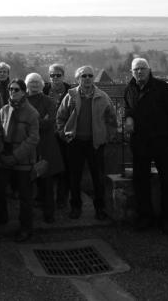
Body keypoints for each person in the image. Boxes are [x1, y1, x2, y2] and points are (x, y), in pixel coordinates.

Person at [123, 58, 168, 234]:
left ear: (149, 70)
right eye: (136, 70)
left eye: (142, 69)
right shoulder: (130, 89)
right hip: (140, 143)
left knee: (167, 181)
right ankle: (145, 217)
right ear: (132, 72)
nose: (139, 72)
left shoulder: (162, 88)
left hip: (162, 142)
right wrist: (128, 118)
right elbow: (128, 108)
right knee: (140, 182)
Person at [56, 66, 118, 221]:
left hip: (95, 144)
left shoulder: (103, 97)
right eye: (84, 76)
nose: (88, 78)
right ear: (78, 79)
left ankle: (100, 209)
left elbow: (112, 119)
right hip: (75, 143)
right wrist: (64, 135)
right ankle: (75, 207)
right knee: (74, 178)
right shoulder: (70, 96)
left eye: (90, 75)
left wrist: (107, 137)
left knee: (98, 178)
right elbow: (60, 117)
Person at [0, 79, 40, 242]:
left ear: (24, 91)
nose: (13, 92)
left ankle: (26, 228)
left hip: (23, 161)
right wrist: (0, 153)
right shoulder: (3, 110)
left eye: (17, 89)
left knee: (25, 197)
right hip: (5, 158)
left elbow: (33, 139)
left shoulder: (32, 113)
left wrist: (16, 156)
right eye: (10, 89)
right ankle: (2, 217)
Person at [25, 73, 64, 223]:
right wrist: (40, 120)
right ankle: (29, 216)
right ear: (26, 85)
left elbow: (50, 123)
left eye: (36, 82)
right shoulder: (23, 101)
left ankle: (49, 214)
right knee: (28, 183)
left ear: (42, 85)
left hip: (46, 146)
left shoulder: (49, 101)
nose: (34, 85)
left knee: (47, 183)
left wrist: (30, 122)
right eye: (31, 82)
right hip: (28, 146)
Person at [44, 63, 73, 208]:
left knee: (64, 168)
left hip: (64, 135)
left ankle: (62, 199)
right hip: (47, 135)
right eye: (52, 75)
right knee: (45, 167)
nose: (55, 78)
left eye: (58, 75)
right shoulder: (43, 90)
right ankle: (43, 198)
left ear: (63, 76)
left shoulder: (71, 91)